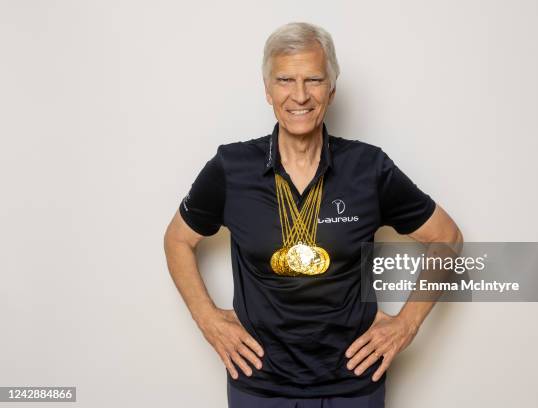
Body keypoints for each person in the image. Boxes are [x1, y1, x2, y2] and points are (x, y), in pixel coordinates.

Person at [163, 21, 463, 408]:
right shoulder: (230, 168)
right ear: (268, 90)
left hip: (353, 385)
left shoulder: (368, 168)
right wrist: (207, 318)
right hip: (259, 385)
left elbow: (446, 237)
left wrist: (407, 324)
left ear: (332, 89)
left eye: (314, 80)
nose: (300, 95)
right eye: (285, 80)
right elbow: (177, 240)